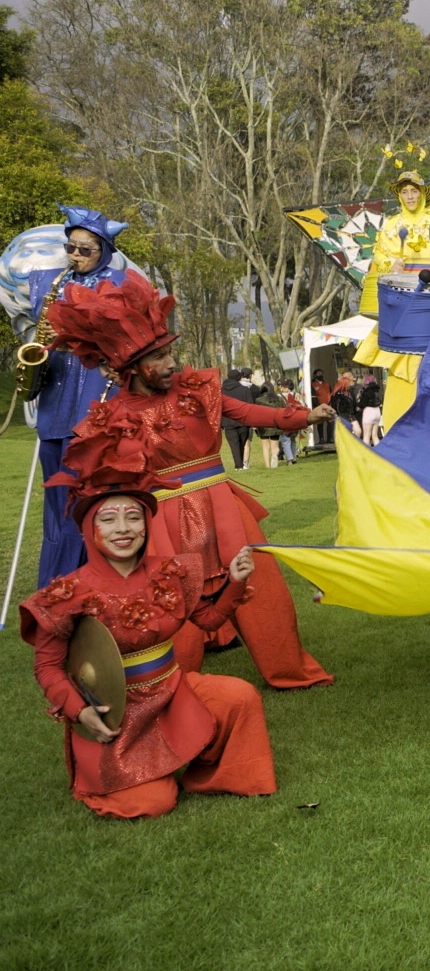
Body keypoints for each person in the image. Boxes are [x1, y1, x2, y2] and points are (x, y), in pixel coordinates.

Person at [45, 274, 337, 689]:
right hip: (164, 515)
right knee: (173, 592)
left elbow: (247, 413)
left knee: (260, 584)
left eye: (170, 353)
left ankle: (289, 669)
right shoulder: (114, 415)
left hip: (223, 504)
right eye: (159, 358)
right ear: (131, 366)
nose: (171, 364)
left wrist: (305, 417)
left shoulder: (196, 389)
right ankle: (176, 682)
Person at [19, 436, 276, 820]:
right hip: (116, 713)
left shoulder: (168, 572)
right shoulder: (66, 593)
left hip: (172, 692)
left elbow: (206, 620)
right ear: (90, 528)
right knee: (153, 803)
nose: (123, 528)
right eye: (108, 518)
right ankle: (145, 773)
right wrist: (79, 711)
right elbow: (48, 668)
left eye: (134, 516)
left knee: (239, 697)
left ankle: (205, 771)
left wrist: (234, 582)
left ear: (146, 523)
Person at [28, 206, 132, 586]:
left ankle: (97, 582)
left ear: (103, 249)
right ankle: (57, 586)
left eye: (85, 249)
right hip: (54, 407)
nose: (75, 255)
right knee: (56, 505)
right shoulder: (46, 282)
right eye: (70, 247)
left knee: (93, 500)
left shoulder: (122, 284)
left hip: (99, 405)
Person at [355, 170, 430, 428]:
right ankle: (397, 424)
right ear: (399, 195)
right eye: (405, 192)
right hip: (404, 302)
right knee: (402, 361)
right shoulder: (390, 225)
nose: (410, 196)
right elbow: (378, 257)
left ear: (423, 193)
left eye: (414, 191)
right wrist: (392, 264)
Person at [220, 368, 256, 470]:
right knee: (242, 443)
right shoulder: (244, 390)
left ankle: (238, 465)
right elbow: (250, 406)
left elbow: (218, 407)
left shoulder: (221, 391)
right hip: (242, 421)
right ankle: (239, 465)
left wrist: (221, 423)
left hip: (228, 422)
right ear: (239, 378)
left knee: (234, 444)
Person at [311, 369, 334, 448]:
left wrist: (330, 404)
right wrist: (319, 406)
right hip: (319, 406)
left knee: (330, 422)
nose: (320, 375)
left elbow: (330, 394)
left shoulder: (326, 384)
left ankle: (330, 438)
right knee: (320, 423)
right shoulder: (312, 384)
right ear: (314, 375)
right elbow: (313, 397)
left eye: (322, 373)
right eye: (318, 374)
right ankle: (321, 438)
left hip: (328, 405)